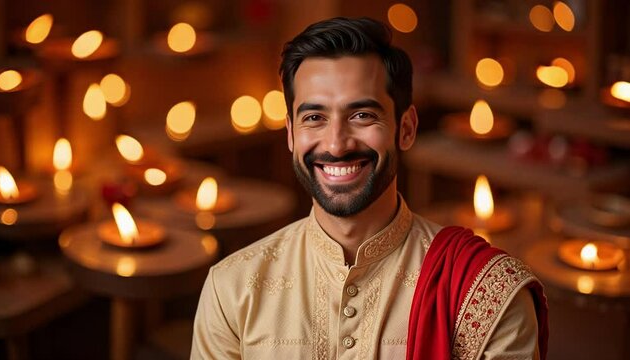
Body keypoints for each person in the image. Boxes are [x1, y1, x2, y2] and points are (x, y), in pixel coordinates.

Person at [191, 17, 548, 360]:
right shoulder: (233, 289)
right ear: (290, 134)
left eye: (362, 115)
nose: (336, 144)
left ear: (405, 128)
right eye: (314, 118)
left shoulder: (488, 292)